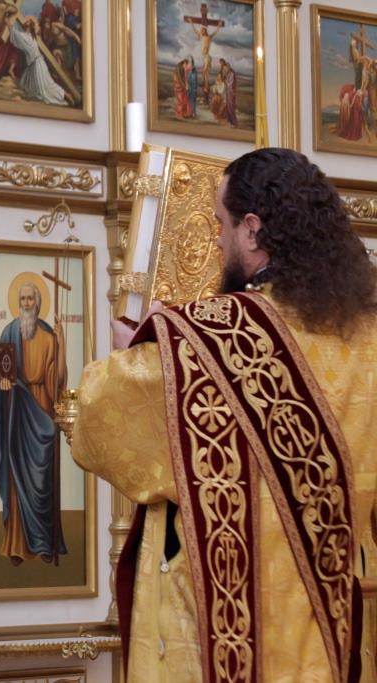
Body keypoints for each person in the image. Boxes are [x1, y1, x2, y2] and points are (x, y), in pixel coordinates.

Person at [71, 148, 377, 682]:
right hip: (334, 623)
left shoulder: (210, 337)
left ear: (252, 230)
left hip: (226, 632)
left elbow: (96, 419)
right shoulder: (368, 336)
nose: (217, 240)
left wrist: (135, 350)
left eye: (221, 223)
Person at [0, 281, 67, 565]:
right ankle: (17, 546)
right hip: (17, 414)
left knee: (43, 480)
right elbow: (2, 376)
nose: (26, 303)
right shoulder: (9, 333)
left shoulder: (49, 338)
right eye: (22, 299)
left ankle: (45, 544)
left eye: (30, 299)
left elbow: (56, 383)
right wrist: (4, 384)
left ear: (38, 303)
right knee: (17, 478)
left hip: (42, 414)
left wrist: (62, 345)